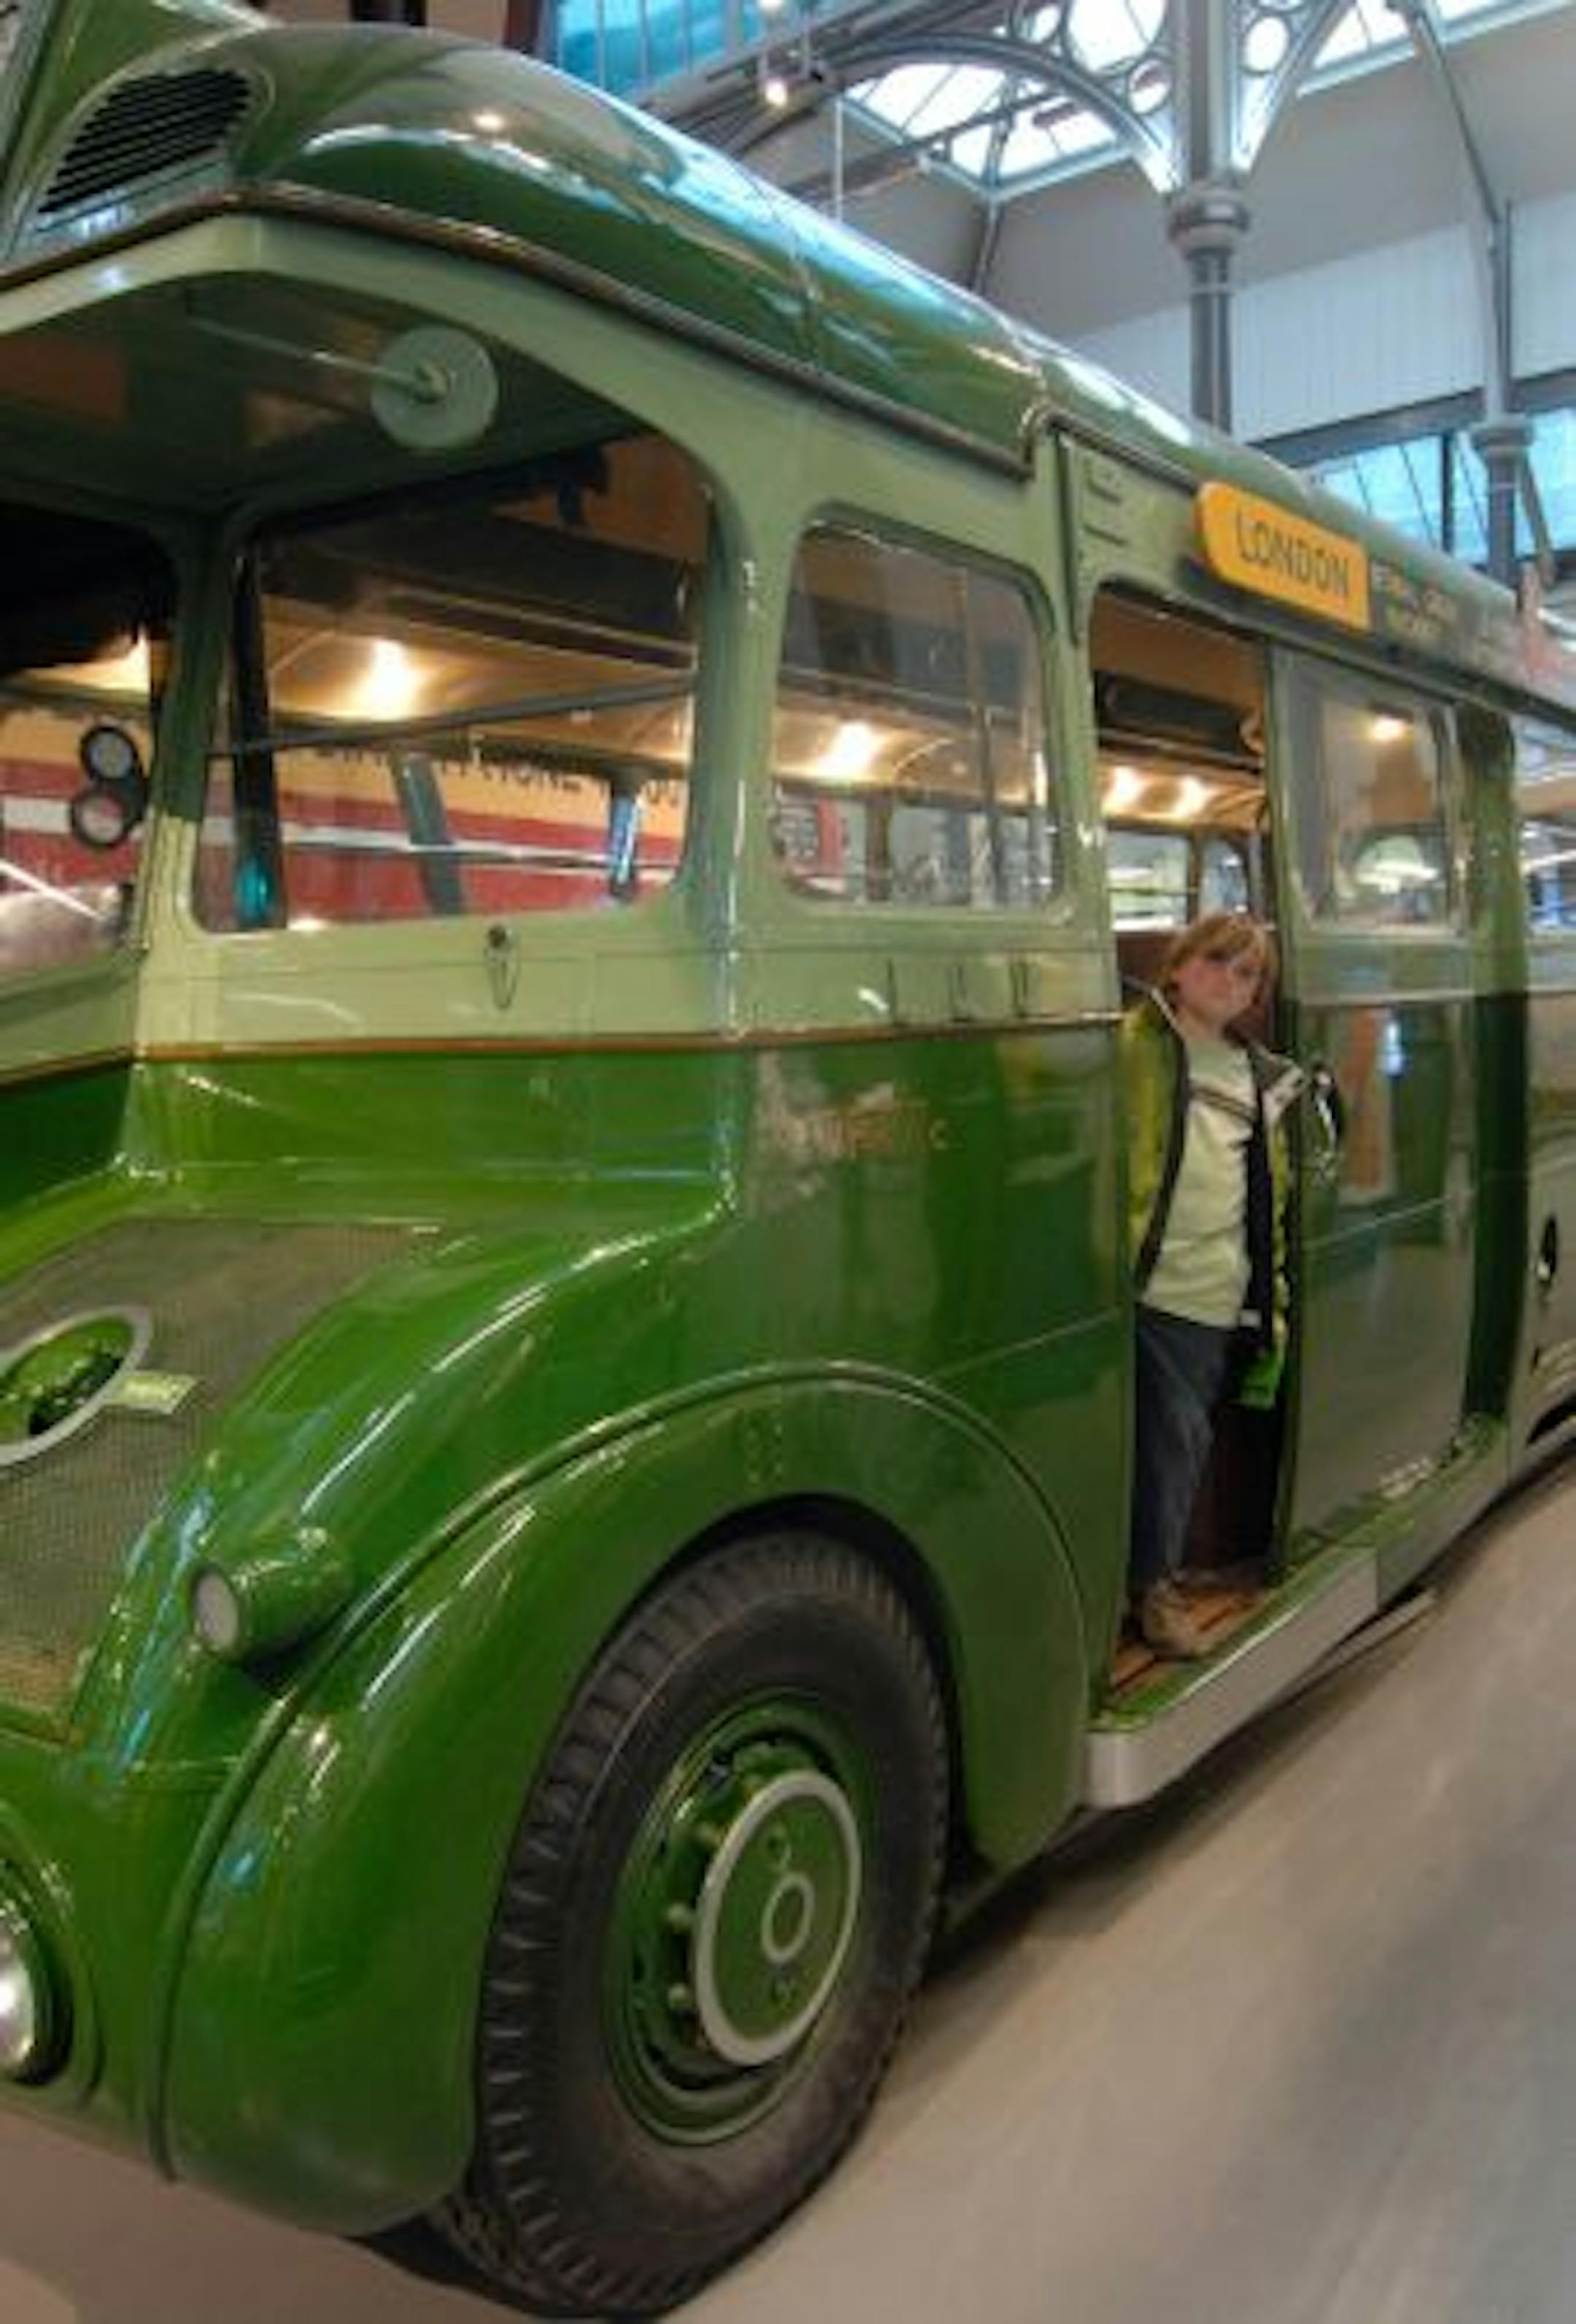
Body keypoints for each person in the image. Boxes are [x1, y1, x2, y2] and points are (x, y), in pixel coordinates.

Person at [1121, 911, 1300, 1659]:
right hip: (1125, 1284)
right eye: (1220, 962)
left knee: (1176, 1443)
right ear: (1180, 966)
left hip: (1201, 1292)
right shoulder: (1131, 1046)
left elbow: (1271, 1199)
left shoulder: (1259, 1077)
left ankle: (1153, 1586)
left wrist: (1271, 1298)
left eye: (1249, 973)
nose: (1233, 981)